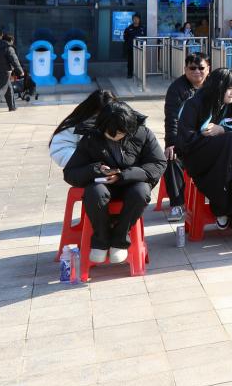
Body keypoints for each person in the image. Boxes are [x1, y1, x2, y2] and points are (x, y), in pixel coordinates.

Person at [62, 101, 165, 264]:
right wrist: (95, 169)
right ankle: (101, 241)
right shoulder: (91, 137)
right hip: (103, 185)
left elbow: (158, 163)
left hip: (133, 183)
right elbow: (70, 173)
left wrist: (123, 175)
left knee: (140, 192)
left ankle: (120, 240)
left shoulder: (143, 133)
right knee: (95, 193)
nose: (116, 137)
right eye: (111, 134)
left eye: (120, 133)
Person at [175, 67, 232, 232]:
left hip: (225, 155)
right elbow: (185, 141)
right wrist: (208, 136)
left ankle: (227, 213)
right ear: (217, 87)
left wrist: (222, 130)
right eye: (229, 88)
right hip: (197, 157)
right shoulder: (194, 104)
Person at [161, 53, 206, 222]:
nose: (197, 71)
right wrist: (171, 143)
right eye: (192, 68)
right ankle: (177, 204)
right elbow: (171, 118)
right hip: (184, 140)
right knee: (171, 157)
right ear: (185, 69)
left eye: (201, 68)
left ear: (208, 68)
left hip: (208, 137)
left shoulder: (214, 85)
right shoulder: (177, 89)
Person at [49, 90, 117, 168]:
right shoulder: (79, 124)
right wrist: (94, 165)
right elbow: (60, 151)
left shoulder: (120, 120)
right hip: (82, 166)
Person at [122, 14, 145, 79]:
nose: (136, 20)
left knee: (141, 61)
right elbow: (125, 38)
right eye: (134, 18)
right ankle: (130, 74)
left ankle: (141, 74)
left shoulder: (143, 28)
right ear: (132, 19)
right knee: (130, 62)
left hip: (141, 48)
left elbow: (145, 37)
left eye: (137, 18)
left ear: (139, 19)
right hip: (131, 48)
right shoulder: (128, 28)